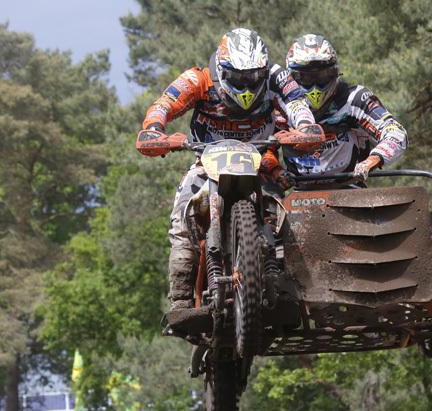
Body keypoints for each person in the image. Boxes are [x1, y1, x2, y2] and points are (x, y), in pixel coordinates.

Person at [138, 27, 324, 314]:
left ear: (261, 71)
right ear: (222, 70)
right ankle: (181, 300)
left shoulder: (276, 77)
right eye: (238, 77)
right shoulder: (197, 79)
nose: (247, 85)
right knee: (181, 218)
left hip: (259, 161)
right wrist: (153, 130)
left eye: (252, 77)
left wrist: (306, 127)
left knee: (285, 216)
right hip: (207, 163)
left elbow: (297, 102)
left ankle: (287, 286)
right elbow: (165, 104)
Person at [279, 34, 408, 187]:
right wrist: (275, 171)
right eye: (305, 77)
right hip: (300, 195)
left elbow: (396, 132)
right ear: (292, 77)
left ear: (334, 72)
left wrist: (374, 159)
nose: (314, 86)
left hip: (350, 190)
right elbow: (264, 146)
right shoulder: (281, 103)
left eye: (322, 75)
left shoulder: (355, 98)